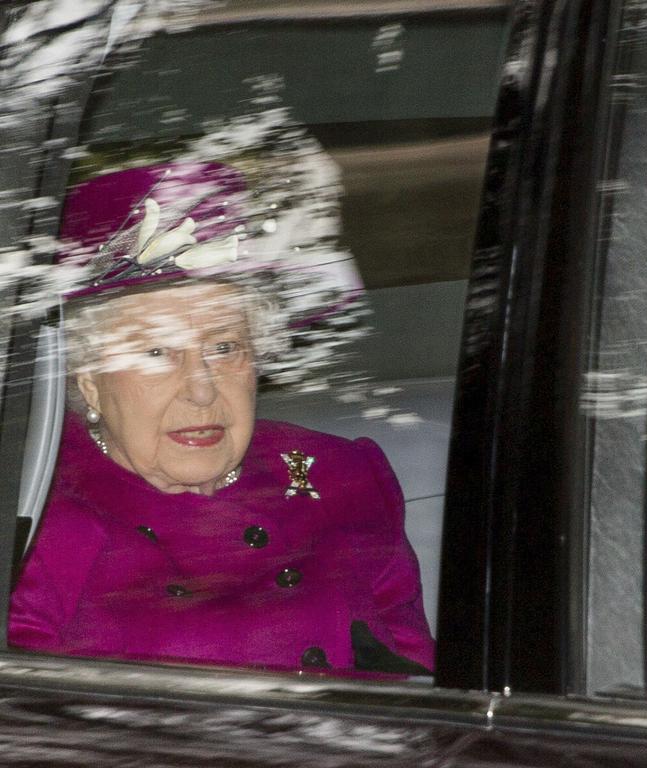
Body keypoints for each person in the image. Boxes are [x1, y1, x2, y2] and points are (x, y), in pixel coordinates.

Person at [7, 162, 435, 677]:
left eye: (225, 345)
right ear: (88, 379)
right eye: (157, 351)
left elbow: (417, 679)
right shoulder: (35, 527)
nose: (202, 389)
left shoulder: (339, 475)